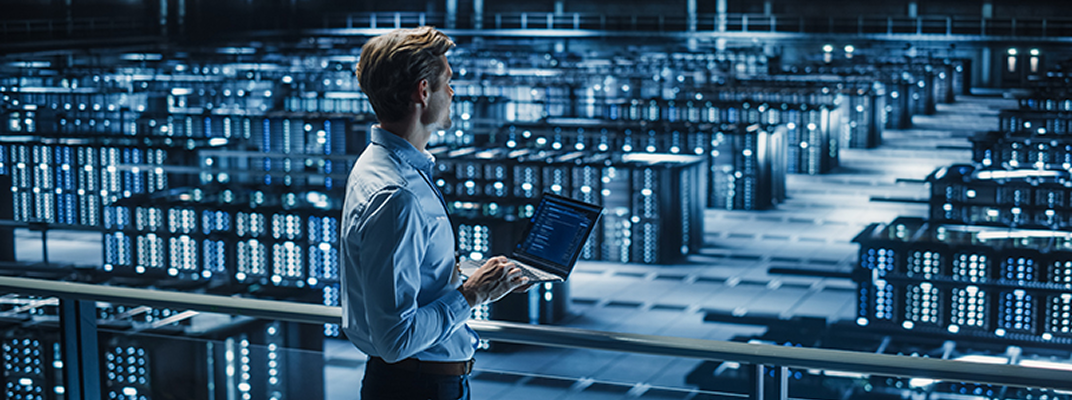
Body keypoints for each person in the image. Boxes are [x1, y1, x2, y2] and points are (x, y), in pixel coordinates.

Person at [341, 26, 530, 400]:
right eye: (448, 81)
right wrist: (472, 294)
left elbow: (406, 276)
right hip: (418, 387)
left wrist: (472, 280)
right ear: (423, 91)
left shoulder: (379, 166)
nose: (453, 92)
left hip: (412, 383)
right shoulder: (398, 195)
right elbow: (397, 339)